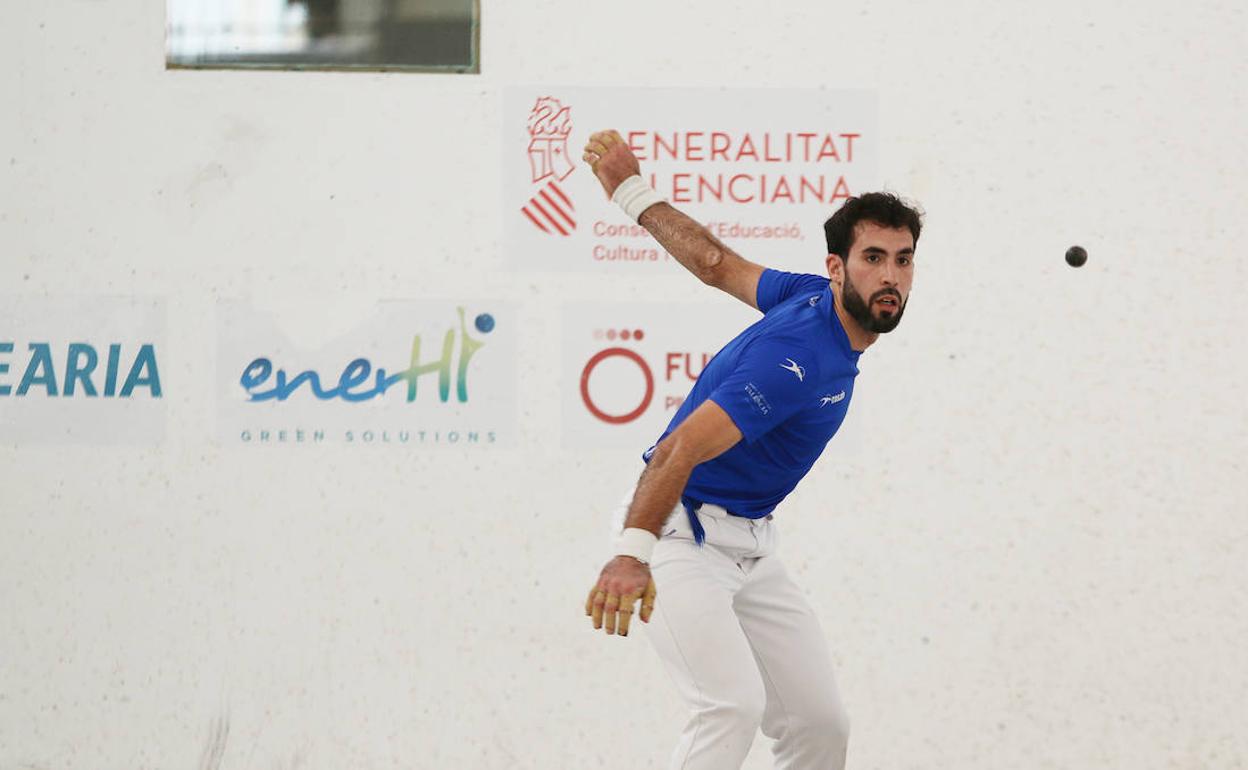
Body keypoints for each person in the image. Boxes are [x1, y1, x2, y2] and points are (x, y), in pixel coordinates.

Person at [580, 130, 923, 770]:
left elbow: (717, 265)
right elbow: (678, 447)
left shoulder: (809, 298)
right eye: (873, 257)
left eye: (902, 260)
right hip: (679, 538)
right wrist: (632, 555)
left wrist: (632, 191)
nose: (889, 277)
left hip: (751, 548)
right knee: (728, 706)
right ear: (837, 267)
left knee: (819, 724)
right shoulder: (795, 360)